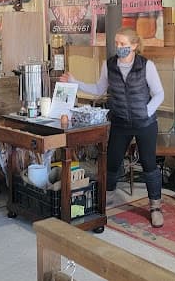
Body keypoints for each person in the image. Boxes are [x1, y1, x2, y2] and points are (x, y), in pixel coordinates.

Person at [60, 27, 165, 228]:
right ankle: (106, 198)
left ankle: (155, 207)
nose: (119, 47)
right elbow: (98, 89)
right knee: (112, 162)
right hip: (120, 122)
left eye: (123, 44)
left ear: (134, 45)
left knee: (149, 163)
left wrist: (147, 111)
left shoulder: (146, 65)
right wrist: (75, 82)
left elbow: (159, 93)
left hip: (145, 123)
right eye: (117, 43)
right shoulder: (109, 65)